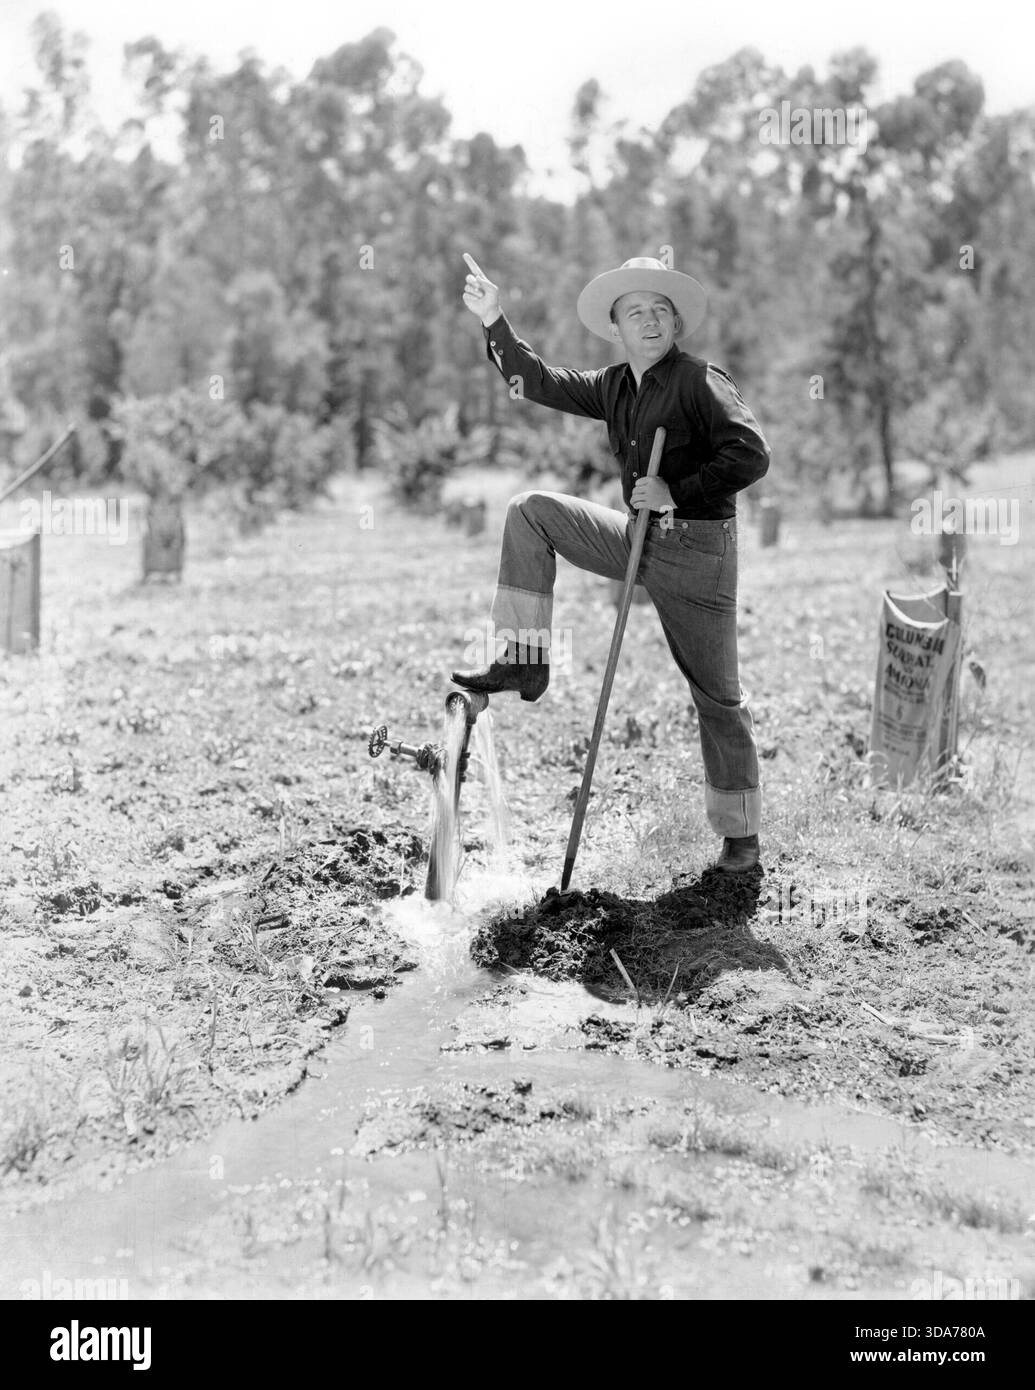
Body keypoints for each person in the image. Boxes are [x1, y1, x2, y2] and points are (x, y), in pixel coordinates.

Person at [451, 255, 770, 873]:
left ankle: (740, 839)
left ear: (675, 324)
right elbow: (536, 381)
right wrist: (494, 318)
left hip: (698, 550)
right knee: (530, 510)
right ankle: (522, 661)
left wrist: (679, 490)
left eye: (659, 311)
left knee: (717, 698)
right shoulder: (614, 384)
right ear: (615, 328)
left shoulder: (701, 381)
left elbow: (751, 454)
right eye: (635, 312)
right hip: (635, 538)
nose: (648, 321)